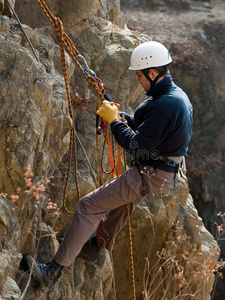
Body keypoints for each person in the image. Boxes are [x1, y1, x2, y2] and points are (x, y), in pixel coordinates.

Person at [26, 41, 193, 287]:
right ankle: (98, 244)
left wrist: (114, 121)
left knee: (89, 205)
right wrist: (120, 116)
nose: (138, 80)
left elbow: (135, 145)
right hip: (159, 170)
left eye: (139, 75)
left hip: (151, 174)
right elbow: (146, 129)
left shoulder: (166, 105)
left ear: (153, 73)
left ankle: (52, 272)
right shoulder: (170, 96)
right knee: (120, 204)